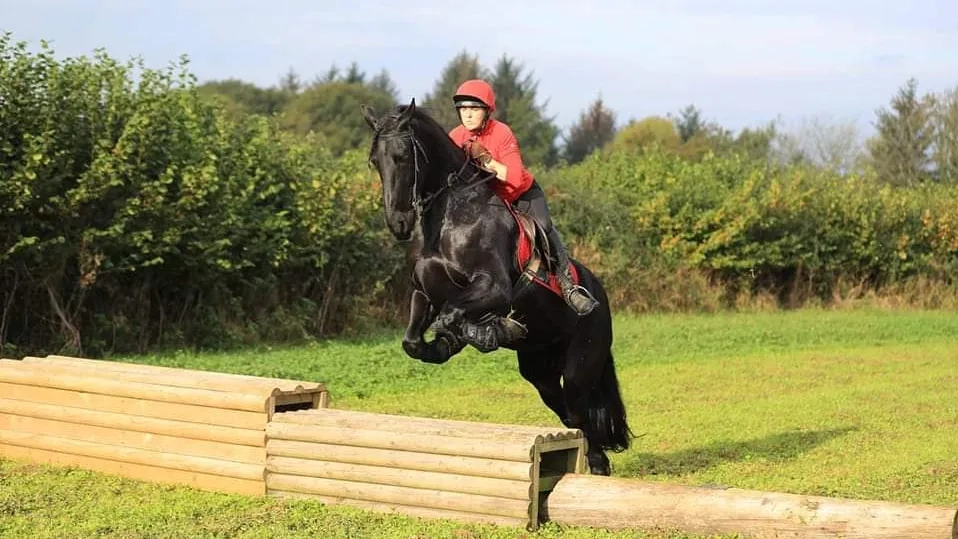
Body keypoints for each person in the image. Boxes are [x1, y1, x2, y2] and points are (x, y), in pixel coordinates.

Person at [447, 79, 599, 316]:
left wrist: (486, 160)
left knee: (544, 226)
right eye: (463, 109)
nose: (467, 115)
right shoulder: (455, 136)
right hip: (490, 203)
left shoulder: (501, 132)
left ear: (487, 111)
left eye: (474, 109)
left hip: (521, 194)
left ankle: (569, 286)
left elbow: (515, 178)